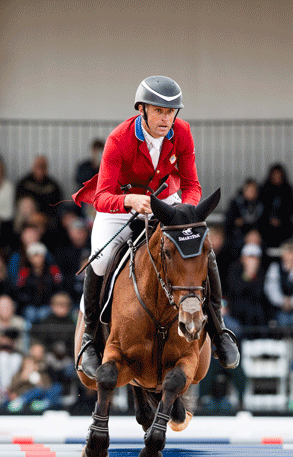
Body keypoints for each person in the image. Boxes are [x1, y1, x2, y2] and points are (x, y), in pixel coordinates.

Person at [71, 75, 239, 378]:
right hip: (122, 204)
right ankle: (88, 341)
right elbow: (101, 197)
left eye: (171, 112)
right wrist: (131, 201)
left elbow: (192, 185)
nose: (166, 118)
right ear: (142, 110)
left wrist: (185, 213)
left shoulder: (182, 133)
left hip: (167, 203)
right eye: (159, 111)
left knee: (203, 249)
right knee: (101, 258)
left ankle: (219, 331)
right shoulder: (119, 139)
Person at [225, 242, 268, 333]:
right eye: (249, 257)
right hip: (237, 309)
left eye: (255, 258)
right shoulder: (234, 269)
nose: (252, 260)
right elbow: (235, 291)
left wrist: (253, 274)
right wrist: (248, 275)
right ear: (243, 258)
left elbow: (259, 294)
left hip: (256, 311)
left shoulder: (262, 273)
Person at [258, 163, 293, 248]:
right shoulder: (264, 189)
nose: (277, 177)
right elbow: (261, 207)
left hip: (284, 222)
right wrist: (270, 218)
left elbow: (290, 208)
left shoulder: (288, 189)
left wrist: (280, 219)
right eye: (275, 174)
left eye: (279, 174)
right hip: (266, 222)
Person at [17, 155, 63, 220]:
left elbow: (58, 205)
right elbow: (18, 202)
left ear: (47, 168)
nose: (40, 168)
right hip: (27, 218)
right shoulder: (24, 183)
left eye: (43, 166)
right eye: (38, 166)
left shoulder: (53, 185)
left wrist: (42, 216)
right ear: (33, 166)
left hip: (46, 218)